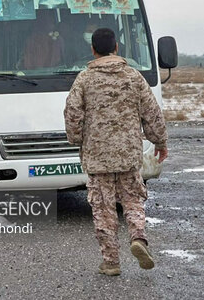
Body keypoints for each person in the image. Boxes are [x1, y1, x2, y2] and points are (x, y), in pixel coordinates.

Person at [64, 28, 168, 276]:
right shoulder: (133, 77)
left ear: (93, 50)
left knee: (103, 208)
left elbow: (72, 115)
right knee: (132, 200)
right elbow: (152, 114)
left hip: (97, 157)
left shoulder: (84, 79)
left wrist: (77, 139)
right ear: (117, 48)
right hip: (128, 155)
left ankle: (111, 261)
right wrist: (160, 142)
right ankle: (139, 239)